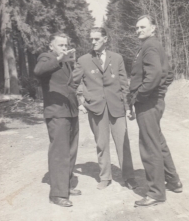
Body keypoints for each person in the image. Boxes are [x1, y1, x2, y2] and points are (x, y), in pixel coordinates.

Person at [73, 27, 137, 190]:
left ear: (105, 39)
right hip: (96, 107)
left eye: (96, 39)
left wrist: (128, 106)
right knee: (101, 143)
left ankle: (129, 176)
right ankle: (105, 177)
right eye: (91, 39)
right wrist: (81, 100)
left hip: (117, 105)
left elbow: (124, 84)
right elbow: (74, 83)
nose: (93, 42)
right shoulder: (83, 60)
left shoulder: (117, 58)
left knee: (123, 142)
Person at [129, 15, 182, 207]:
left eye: (143, 27)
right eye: (136, 28)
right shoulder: (152, 46)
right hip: (153, 101)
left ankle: (156, 193)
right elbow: (168, 74)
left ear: (153, 28)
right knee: (158, 142)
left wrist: (140, 96)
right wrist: (161, 92)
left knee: (149, 147)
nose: (139, 30)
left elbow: (156, 75)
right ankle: (174, 181)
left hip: (148, 103)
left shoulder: (150, 46)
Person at [34, 32, 81, 207]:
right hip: (57, 112)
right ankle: (57, 193)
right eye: (60, 45)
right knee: (59, 152)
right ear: (51, 46)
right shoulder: (46, 58)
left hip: (71, 110)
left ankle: (65, 186)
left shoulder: (66, 61)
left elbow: (70, 85)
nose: (64, 47)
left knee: (71, 151)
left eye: (65, 44)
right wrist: (60, 58)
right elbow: (38, 71)